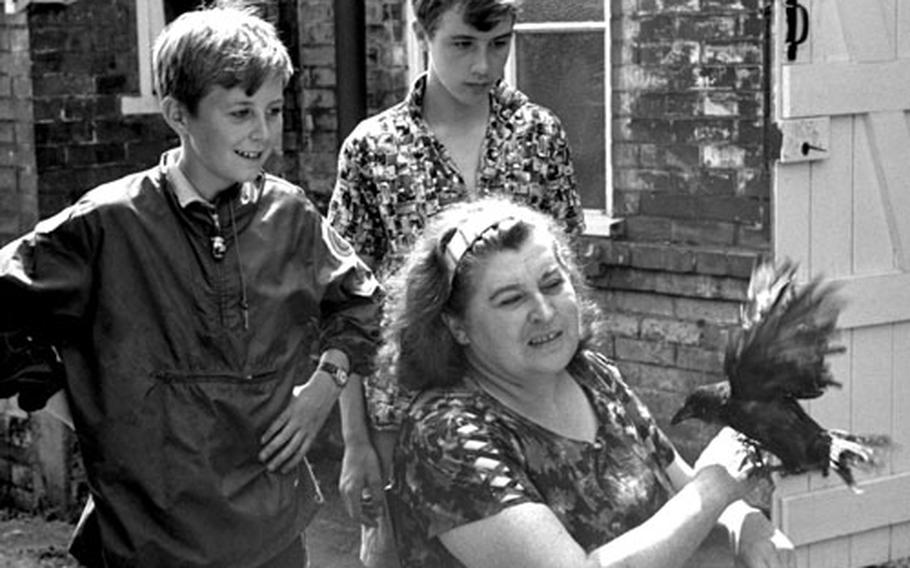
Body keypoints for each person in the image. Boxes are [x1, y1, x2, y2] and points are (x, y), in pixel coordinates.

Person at [0, 3, 382, 566]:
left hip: (272, 532)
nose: (263, 132)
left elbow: (362, 305)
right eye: (240, 112)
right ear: (178, 113)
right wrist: (82, 407)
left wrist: (324, 385)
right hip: (145, 536)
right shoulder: (109, 223)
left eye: (273, 110)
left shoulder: (290, 215)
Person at [378, 196, 796, 568]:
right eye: (511, 299)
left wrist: (746, 522)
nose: (544, 310)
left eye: (552, 283)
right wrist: (718, 483)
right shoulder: (444, 436)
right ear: (457, 327)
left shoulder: (592, 375)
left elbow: (680, 483)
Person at [327, 1, 584, 564]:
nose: (484, 65)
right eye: (463, 44)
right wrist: (355, 441)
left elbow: (567, 282)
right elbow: (344, 308)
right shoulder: (373, 149)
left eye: (500, 43)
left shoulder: (539, 136)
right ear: (424, 33)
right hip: (404, 413)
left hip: (527, 411)